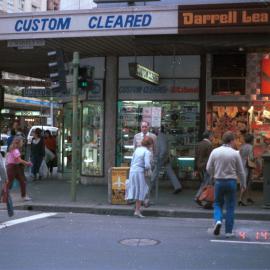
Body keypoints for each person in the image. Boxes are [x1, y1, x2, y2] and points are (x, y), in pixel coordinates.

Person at [206, 131, 246, 238]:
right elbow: (241, 171)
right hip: (231, 182)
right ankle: (228, 231)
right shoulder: (235, 153)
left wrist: (213, 174)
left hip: (219, 181)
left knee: (218, 204)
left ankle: (218, 220)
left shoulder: (215, 151)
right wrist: (243, 183)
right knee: (230, 207)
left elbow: (208, 167)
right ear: (232, 141)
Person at [126, 136, 153, 218]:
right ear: (149, 144)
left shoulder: (137, 150)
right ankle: (137, 211)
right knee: (141, 191)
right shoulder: (147, 152)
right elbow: (147, 165)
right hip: (139, 172)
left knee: (136, 190)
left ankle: (137, 209)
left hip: (132, 171)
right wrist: (148, 170)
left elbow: (132, 161)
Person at [151, 125, 182, 194]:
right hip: (164, 157)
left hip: (161, 158)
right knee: (170, 171)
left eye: (154, 128)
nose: (153, 130)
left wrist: (160, 157)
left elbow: (163, 149)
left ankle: (149, 188)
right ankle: (177, 186)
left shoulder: (161, 137)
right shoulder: (162, 136)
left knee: (155, 172)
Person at [133, 121, 156, 207]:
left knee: (147, 182)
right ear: (140, 127)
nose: (144, 128)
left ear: (148, 127)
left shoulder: (153, 136)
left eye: (146, 126)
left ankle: (146, 199)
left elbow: (155, 149)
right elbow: (134, 149)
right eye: (142, 127)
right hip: (139, 163)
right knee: (139, 182)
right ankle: (139, 200)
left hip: (149, 162)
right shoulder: (136, 136)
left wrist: (153, 160)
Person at [6, 137, 32, 201]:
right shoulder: (15, 150)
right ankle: (3, 196)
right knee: (10, 183)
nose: (22, 143)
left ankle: (24, 196)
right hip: (12, 167)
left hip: (14, 167)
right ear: (19, 143)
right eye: (22, 142)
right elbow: (19, 160)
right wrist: (27, 163)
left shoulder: (13, 149)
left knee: (21, 181)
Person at [194, 130, 213, 206]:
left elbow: (196, 156)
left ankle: (201, 197)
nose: (212, 137)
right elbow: (210, 157)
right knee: (206, 182)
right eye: (211, 136)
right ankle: (199, 196)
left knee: (205, 182)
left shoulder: (199, 144)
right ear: (209, 136)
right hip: (206, 166)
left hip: (199, 165)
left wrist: (195, 168)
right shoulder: (209, 145)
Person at [239, 133, 255, 206]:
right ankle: (240, 199)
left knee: (244, 182)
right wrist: (255, 158)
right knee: (246, 182)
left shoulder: (242, 147)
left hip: (242, 165)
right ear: (251, 140)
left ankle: (248, 197)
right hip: (247, 166)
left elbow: (239, 156)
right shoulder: (251, 147)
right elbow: (251, 158)